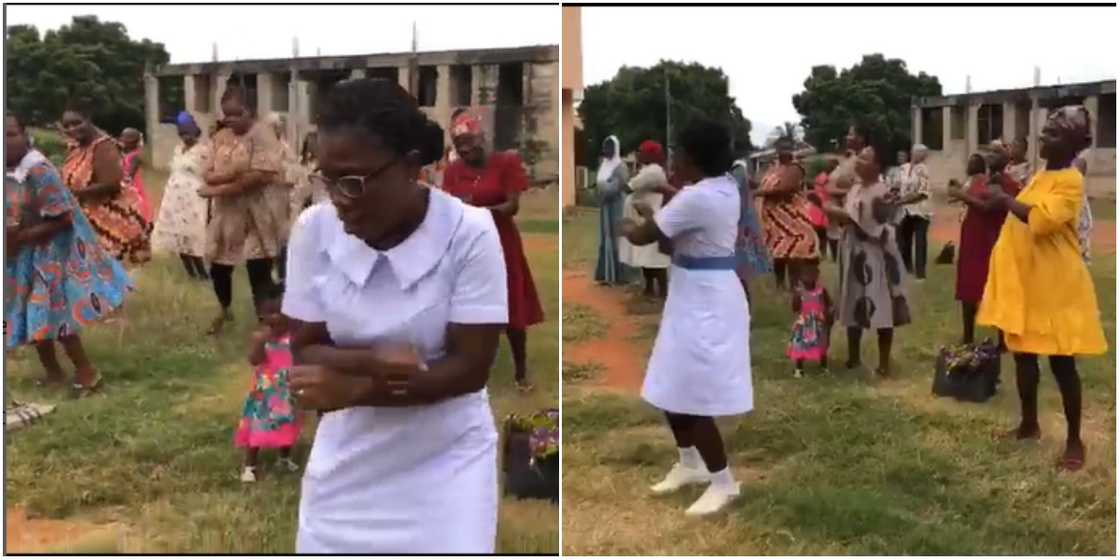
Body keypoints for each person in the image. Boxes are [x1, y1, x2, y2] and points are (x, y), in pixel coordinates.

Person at [282, 78, 506, 552]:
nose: (339, 198)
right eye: (326, 179)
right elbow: (305, 346)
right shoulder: (314, 230)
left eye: (354, 181)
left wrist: (357, 387)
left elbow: (469, 370)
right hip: (349, 459)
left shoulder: (469, 233)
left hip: (447, 460)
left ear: (410, 167)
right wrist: (378, 362)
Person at [620, 118, 751, 517]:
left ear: (695, 158)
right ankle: (689, 463)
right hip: (695, 291)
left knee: (693, 394)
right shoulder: (722, 187)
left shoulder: (698, 198)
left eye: (678, 153)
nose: (673, 159)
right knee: (670, 382)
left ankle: (723, 483)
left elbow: (646, 236)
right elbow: (674, 229)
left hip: (705, 298)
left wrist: (627, 224)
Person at [977, 106, 1107, 472]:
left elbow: (1043, 221)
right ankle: (1029, 423)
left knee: (1062, 362)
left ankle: (1074, 440)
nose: (1043, 138)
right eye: (1045, 132)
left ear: (1075, 144)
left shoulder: (1070, 179)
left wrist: (1006, 201)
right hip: (1029, 280)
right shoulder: (1042, 175)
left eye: (1054, 133)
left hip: (1057, 284)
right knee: (1023, 354)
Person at [4, 113, 132, 396]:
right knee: (29, 314)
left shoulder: (38, 170)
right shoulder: (8, 170)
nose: (5, 142)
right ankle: (53, 373)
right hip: (21, 255)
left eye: (11, 134)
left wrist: (21, 237)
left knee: (54, 315)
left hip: (50, 252)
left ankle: (88, 373)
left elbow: (62, 218)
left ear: (26, 136)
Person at [443, 111, 544, 392]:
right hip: (465, 245)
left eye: (469, 141)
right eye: (458, 143)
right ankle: (466, 368)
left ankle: (521, 372)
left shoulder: (506, 163)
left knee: (512, 307)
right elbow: (449, 206)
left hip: (502, 243)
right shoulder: (453, 170)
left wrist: (478, 213)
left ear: (482, 137)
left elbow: (512, 205)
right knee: (465, 305)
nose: (464, 149)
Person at [197, 76, 286, 334]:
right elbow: (207, 171)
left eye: (238, 114)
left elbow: (260, 176)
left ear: (251, 111)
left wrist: (220, 187)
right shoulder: (221, 136)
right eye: (227, 114)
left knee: (257, 270)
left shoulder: (263, 134)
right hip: (227, 215)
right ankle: (224, 311)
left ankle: (267, 324)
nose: (231, 119)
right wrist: (234, 175)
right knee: (219, 267)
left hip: (258, 215)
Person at [824, 141, 910, 377]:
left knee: (882, 305)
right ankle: (853, 357)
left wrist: (835, 212)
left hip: (876, 255)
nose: (858, 163)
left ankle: (883, 363)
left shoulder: (883, 192)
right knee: (853, 302)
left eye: (864, 159)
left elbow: (870, 226)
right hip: (854, 252)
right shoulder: (855, 188)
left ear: (877, 166)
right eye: (858, 158)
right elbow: (850, 217)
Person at [59, 102, 152, 267]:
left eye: (77, 123)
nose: (72, 129)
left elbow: (111, 183)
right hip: (81, 219)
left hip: (104, 223)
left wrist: (74, 193)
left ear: (88, 119)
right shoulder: (77, 147)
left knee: (99, 278)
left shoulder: (103, 146)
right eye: (67, 126)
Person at [949, 153, 1019, 344]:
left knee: (994, 291)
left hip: (987, 244)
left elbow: (987, 206)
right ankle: (968, 336)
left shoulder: (999, 185)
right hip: (973, 242)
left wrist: (961, 195)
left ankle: (1003, 340)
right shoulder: (980, 183)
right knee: (969, 292)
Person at [235, 291, 302, 482]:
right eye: (268, 314)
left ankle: (284, 457)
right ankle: (250, 466)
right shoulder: (261, 338)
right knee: (258, 426)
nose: (273, 318)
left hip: (287, 389)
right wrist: (260, 343)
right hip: (265, 392)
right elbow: (254, 360)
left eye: (279, 313)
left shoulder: (294, 337)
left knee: (288, 423)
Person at [151, 111, 211, 280]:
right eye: (182, 133)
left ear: (195, 132)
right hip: (174, 198)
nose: (186, 137)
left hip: (193, 197)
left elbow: (207, 173)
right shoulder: (178, 149)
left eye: (188, 133)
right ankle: (191, 273)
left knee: (193, 234)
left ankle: (202, 273)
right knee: (178, 236)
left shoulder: (203, 150)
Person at [756, 138, 818, 290]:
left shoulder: (795, 167)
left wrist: (758, 192)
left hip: (792, 218)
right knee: (779, 252)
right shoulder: (775, 168)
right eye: (780, 148)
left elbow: (786, 188)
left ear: (792, 149)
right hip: (775, 219)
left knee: (794, 252)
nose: (782, 151)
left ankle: (795, 286)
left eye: (786, 147)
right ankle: (780, 285)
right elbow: (764, 184)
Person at [619, 140, 672, 298]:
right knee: (644, 256)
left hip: (649, 217)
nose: (638, 154)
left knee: (654, 258)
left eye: (641, 151)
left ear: (650, 154)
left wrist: (617, 178)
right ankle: (649, 288)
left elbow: (628, 187)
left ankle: (662, 290)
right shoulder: (647, 169)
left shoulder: (653, 171)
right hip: (641, 217)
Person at [822, 126, 867, 262]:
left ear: (861, 138)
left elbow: (863, 187)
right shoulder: (848, 159)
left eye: (851, 134)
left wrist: (840, 192)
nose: (847, 137)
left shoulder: (864, 159)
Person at [730, 158, 772, 301]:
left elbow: (735, 200)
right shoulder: (736, 171)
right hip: (736, 227)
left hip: (737, 228)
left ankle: (743, 309)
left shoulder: (737, 171)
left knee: (737, 273)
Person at [593, 135, 630, 285]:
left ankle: (620, 276)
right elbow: (599, 185)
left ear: (616, 149)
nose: (606, 150)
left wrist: (601, 188)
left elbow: (615, 187)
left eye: (609, 147)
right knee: (605, 238)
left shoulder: (621, 167)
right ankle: (606, 274)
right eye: (605, 146)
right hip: (604, 207)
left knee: (617, 238)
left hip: (616, 206)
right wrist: (601, 189)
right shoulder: (603, 165)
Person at [787, 261, 832, 378]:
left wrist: (827, 314)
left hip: (818, 323)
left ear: (817, 275)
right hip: (803, 324)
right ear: (801, 276)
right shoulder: (799, 292)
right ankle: (798, 369)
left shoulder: (821, 290)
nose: (809, 277)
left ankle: (824, 366)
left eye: (812, 274)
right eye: (806, 274)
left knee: (822, 345)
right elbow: (795, 308)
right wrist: (796, 301)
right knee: (800, 347)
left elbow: (828, 304)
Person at [895, 144, 932, 280]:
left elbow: (922, 193)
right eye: (917, 153)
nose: (919, 156)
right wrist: (894, 196)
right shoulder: (903, 168)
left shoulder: (924, 170)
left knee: (920, 241)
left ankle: (920, 273)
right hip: (905, 210)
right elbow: (897, 186)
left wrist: (903, 200)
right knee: (904, 239)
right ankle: (906, 267)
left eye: (922, 154)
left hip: (921, 210)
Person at [119, 127, 153, 223]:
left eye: (124, 138)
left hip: (133, 185)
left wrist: (123, 182)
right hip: (128, 185)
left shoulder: (135, 156)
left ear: (132, 142)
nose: (121, 140)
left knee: (136, 206)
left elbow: (130, 174)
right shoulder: (126, 154)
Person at [1072, 148, 1093, 263]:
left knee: (1085, 226)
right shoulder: (1072, 161)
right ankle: (1082, 253)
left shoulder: (1079, 160)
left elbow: (1081, 171)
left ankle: (1085, 253)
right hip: (1074, 198)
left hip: (1079, 197)